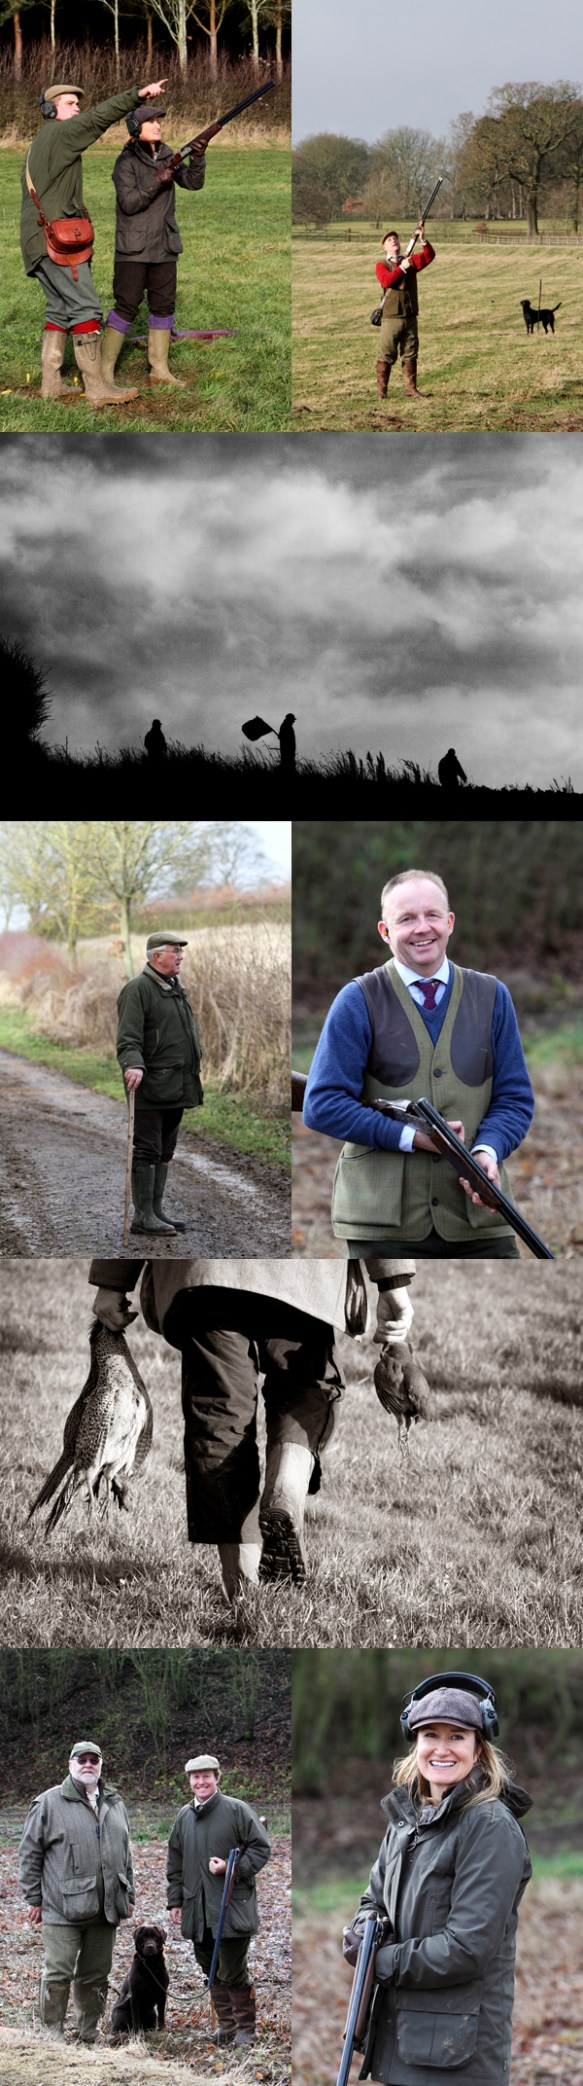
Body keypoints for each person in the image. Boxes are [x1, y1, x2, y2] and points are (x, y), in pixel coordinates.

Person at [88, 1257, 417, 1597]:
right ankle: (284, 1492)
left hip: (206, 1271)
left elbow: (140, 1207)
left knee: (220, 1415)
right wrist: (392, 1281)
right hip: (303, 1272)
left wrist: (112, 1280)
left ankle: (244, 1591)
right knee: (305, 1386)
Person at [302, 868, 535, 1259]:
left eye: (431, 915)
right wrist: (412, 1137)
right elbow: (321, 1104)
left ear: (450, 922)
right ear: (384, 931)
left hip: (478, 1217)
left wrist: (486, 1153)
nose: (421, 928)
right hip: (383, 1224)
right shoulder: (356, 999)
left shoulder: (493, 995)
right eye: (406, 919)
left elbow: (514, 1100)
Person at [347, 1673, 532, 2085]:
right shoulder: (405, 1821)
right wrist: (363, 1932)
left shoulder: (489, 1826)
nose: (442, 1748)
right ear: (415, 1744)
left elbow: (466, 1948)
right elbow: (372, 1902)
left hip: (457, 2057)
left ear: (479, 1748)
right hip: (402, 2043)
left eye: (457, 1736)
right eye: (430, 1734)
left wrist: (377, 1961)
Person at [20, 75, 167, 404]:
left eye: (77, 104)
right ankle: (98, 387)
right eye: (70, 104)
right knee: (86, 308)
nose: (77, 109)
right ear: (51, 110)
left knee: (59, 309)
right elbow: (100, 116)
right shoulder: (61, 133)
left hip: (35, 239)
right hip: (56, 242)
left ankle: (50, 384)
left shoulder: (41, 141)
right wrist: (137, 95)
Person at [18, 1738, 134, 2045]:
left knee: (96, 1975)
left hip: (106, 1907)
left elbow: (126, 1853)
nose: (87, 1765)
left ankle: (89, 2032)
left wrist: (128, 1895)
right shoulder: (49, 1803)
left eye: (93, 1760)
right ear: (70, 1765)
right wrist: (33, 1898)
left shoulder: (114, 1802)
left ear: (100, 1766)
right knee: (57, 1972)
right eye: (80, 1760)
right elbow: (30, 1853)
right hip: (60, 1907)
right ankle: (52, 2034)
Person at [167, 1753, 271, 2047]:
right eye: (195, 1777)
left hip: (231, 1907)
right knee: (209, 1968)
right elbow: (174, 1861)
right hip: (197, 1909)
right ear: (189, 1782)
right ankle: (225, 2027)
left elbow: (261, 1848)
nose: (201, 1782)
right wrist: (175, 1900)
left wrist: (231, 1868)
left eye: (206, 1776)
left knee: (233, 1971)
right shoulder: (183, 1817)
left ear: (217, 1778)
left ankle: (245, 2030)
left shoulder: (237, 1810)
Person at [102, 106, 206, 390]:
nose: (157, 125)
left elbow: (193, 183)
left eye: (158, 120)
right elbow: (129, 203)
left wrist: (198, 157)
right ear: (136, 129)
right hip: (133, 248)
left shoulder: (169, 155)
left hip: (164, 246)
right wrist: (155, 181)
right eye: (150, 121)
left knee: (163, 307)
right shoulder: (125, 162)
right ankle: (104, 372)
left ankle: (159, 371)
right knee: (126, 307)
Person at [117, 931, 203, 1236]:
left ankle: (155, 1211)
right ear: (156, 956)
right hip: (151, 1085)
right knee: (148, 1148)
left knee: (165, 1149)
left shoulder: (174, 988)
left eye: (181, 951)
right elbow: (128, 1038)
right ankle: (142, 1216)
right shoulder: (137, 989)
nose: (180, 956)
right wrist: (134, 1065)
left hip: (177, 1084)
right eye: (175, 951)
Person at [374, 221, 435, 402]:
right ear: (384, 247)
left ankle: (411, 389)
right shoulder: (382, 264)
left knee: (410, 352)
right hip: (391, 316)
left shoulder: (410, 260)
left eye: (395, 239)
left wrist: (422, 239)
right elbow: (387, 281)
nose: (393, 241)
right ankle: (382, 392)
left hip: (410, 315)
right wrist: (402, 267)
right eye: (389, 240)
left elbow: (429, 256)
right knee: (387, 353)